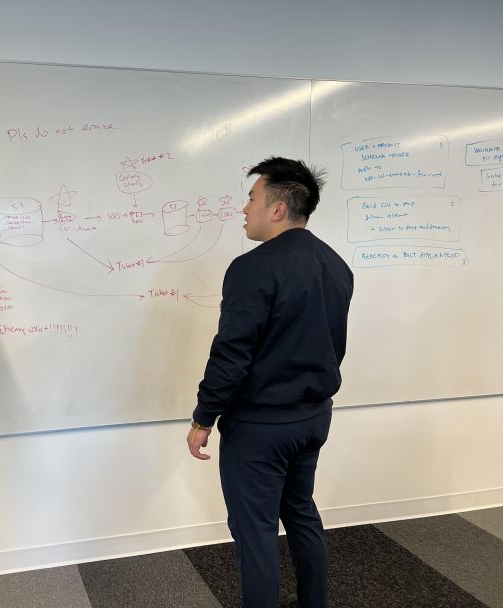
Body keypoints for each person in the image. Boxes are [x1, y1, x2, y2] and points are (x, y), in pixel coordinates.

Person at [186, 157, 353, 608]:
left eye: (252, 198)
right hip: (314, 418)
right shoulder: (336, 264)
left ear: (278, 208)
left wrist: (204, 417)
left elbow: (231, 353)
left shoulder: (252, 268)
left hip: (261, 427)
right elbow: (331, 343)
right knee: (300, 513)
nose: (245, 209)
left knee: (255, 531)